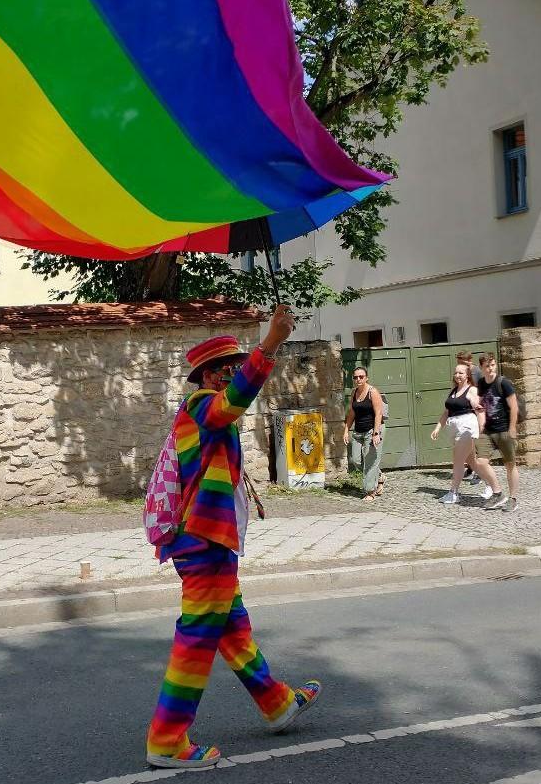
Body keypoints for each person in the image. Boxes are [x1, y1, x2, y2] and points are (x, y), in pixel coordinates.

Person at [146, 306, 321, 771]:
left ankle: (276, 702)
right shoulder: (204, 405)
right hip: (202, 541)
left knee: (231, 627)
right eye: (229, 368)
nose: (235, 374)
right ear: (211, 374)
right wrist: (270, 345)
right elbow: (234, 400)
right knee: (197, 637)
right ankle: (166, 741)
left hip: (209, 542)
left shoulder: (208, 416)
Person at [431, 363, 506, 508]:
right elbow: (446, 412)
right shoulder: (453, 391)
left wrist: (481, 426)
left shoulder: (471, 390)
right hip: (454, 427)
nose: (457, 375)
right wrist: (438, 427)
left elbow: (477, 406)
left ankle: (454, 493)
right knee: (473, 462)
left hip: (466, 428)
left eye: (461, 373)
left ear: (467, 376)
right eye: (456, 373)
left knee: (458, 460)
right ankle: (492, 487)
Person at [476, 353, 520, 512]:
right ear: (481, 368)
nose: (491, 369)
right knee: (480, 461)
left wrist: (512, 428)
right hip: (487, 430)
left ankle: (513, 499)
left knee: (510, 464)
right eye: (487, 366)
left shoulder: (504, 383)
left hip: (504, 430)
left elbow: (514, 407)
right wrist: (479, 412)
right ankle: (498, 493)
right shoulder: (481, 383)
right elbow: (481, 403)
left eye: (493, 365)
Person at [343, 366, 386, 501]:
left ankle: (370, 492)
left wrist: (376, 433)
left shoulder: (372, 392)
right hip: (358, 431)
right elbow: (352, 412)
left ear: (366, 378)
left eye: (361, 377)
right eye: (355, 377)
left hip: (372, 430)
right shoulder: (354, 393)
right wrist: (346, 429)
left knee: (370, 461)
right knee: (356, 460)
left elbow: (379, 413)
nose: (358, 379)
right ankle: (379, 477)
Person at [455, 351, 483, 487]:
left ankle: (480, 472)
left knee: (475, 440)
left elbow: (479, 390)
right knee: (469, 440)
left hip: (476, 408)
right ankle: (472, 468)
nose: (459, 364)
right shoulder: (465, 371)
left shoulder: (476, 371)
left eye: (461, 361)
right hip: (468, 408)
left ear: (469, 360)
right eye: (458, 361)